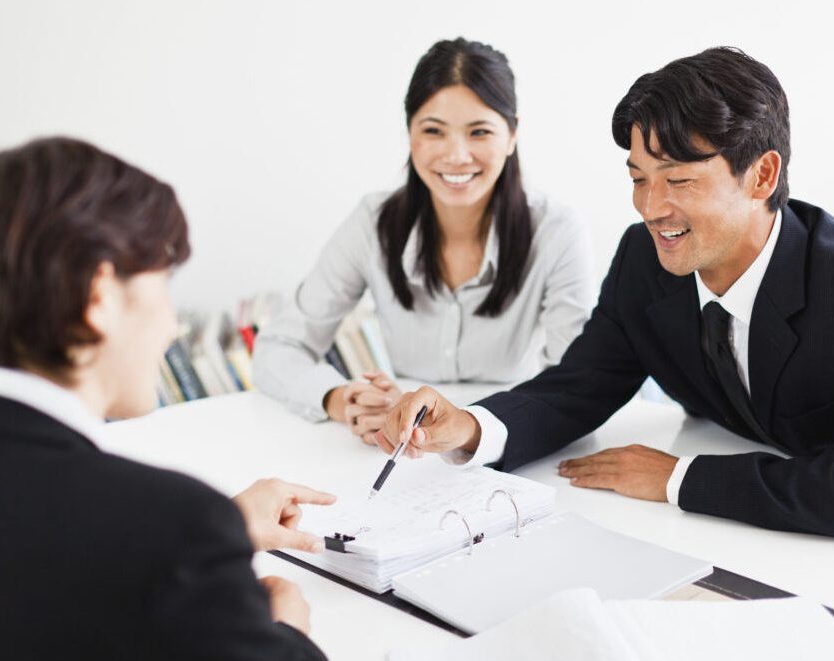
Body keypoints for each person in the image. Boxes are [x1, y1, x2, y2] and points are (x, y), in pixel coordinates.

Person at [376, 47, 834, 661]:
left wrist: (676, 477)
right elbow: (582, 383)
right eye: (639, 177)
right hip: (760, 549)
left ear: (761, 175)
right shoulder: (645, 260)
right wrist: (472, 426)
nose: (650, 207)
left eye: (678, 179)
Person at [0, 137, 337, 661]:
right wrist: (288, 633)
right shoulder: (179, 527)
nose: (172, 325)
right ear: (100, 298)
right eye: (163, 285)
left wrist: (213, 538)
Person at [254, 37, 594, 445]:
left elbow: (575, 384)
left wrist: (468, 427)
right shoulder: (372, 223)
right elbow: (278, 347)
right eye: (434, 130)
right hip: (399, 448)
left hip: (513, 442)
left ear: (512, 134)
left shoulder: (556, 231)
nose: (456, 155)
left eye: (479, 131)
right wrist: (341, 398)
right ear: (409, 132)